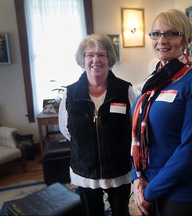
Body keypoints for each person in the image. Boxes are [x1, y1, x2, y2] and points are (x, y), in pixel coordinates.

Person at [131, 9, 192, 216]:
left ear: (186, 39)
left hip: (181, 191)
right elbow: (134, 135)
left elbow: (190, 150)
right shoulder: (151, 82)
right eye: (156, 34)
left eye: (171, 33)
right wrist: (136, 179)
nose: (162, 40)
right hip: (147, 182)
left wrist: (150, 192)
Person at [58, 33, 136, 216]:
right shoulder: (70, 94)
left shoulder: (125, 90)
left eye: (101, 54)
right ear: (82, 59)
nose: (96, 60)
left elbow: (134, 127)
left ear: (109, 58)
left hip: (118, 170)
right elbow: (66, 130)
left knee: (121, 212)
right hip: (84, 171)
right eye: (90, 55)